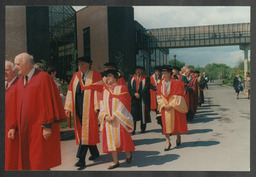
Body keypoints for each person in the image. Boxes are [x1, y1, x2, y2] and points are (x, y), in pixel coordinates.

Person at [8, 52, 66, 170]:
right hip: (24, 130)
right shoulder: (19, 82)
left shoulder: (43, 78)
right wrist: (13, 126)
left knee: (40, 161)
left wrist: (47, 126)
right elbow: (15, 106)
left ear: (27, 64)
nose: (15, 68)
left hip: (38, 129)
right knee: (27, 161)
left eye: (17, 64)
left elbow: (48, 103)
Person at [64, 56, 102, 170]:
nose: (80, 67)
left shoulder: (96, 75)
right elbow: (70, 91)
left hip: (90, 109)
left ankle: (81, 159)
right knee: (85, 132)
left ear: (89, 65)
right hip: (78, 109)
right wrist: (68, 108)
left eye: (82, 65)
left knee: (86, 132)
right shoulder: (75, 76)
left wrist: (97, 106)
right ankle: (94, 153)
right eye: (79, 65)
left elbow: (98, 91)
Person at [99, 69, 135, 169]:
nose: (108, 78)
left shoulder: (122, 88)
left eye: (110, 76)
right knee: (111, 140)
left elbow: (124, 103)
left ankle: (128, 155)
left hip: (119, 118)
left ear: (115, 78)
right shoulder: (105, 90)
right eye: (107, 76)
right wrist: (105, 116)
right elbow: (101, 104)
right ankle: (115, 161)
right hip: (108, 119)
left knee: (123, 137)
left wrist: (115, 115)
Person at [157, 66, 188, 150]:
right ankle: (168, 142)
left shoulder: (176, 83)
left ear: (170, 73)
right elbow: (159, 96)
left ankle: (178, 136)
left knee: (176, 123)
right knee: (165, 125)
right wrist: (163, 105)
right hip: (164, 107)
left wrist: (171, 105)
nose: (164, 75)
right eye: (162, 74)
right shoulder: (160, 84)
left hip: (174, 106)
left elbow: (179, 95)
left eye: (165, 73)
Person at [128, 66, 151, 135]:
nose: (138, 71)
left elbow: (146, 88)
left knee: (143, 113)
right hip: (134, 98)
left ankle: (143, 128)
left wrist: (140, 94)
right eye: (137, 70)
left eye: (139, 70)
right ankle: (133, 129)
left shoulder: (146, 78)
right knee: (133, 114)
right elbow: (129, 88)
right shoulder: (131, 78)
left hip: (143, 98)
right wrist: (134, 94)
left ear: (142, 71)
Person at [5, 60, 19, 170]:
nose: (4, 72)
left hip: (13, 128)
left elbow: (18, 108)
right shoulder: (6, 85)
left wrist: (13, 126)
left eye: (6, 70)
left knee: (13, 158)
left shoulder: (18, 85)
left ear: (14, 70)